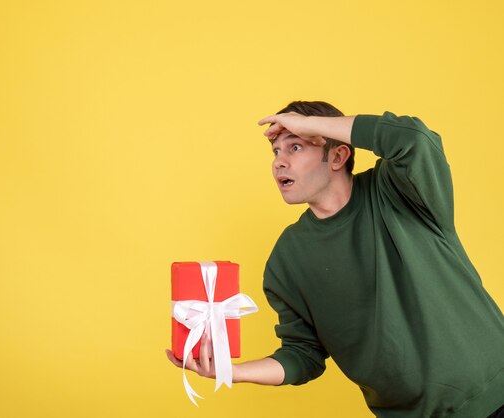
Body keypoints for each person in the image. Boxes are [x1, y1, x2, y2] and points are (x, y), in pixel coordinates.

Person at [166, 101, 504, 417]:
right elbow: (303, 354)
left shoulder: (399, 189)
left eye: (295, 146)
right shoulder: (287, 260)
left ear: (338, 156)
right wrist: (231, 371)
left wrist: (310, 123)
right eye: (275, 151)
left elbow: (414, 139)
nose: (278, 162)